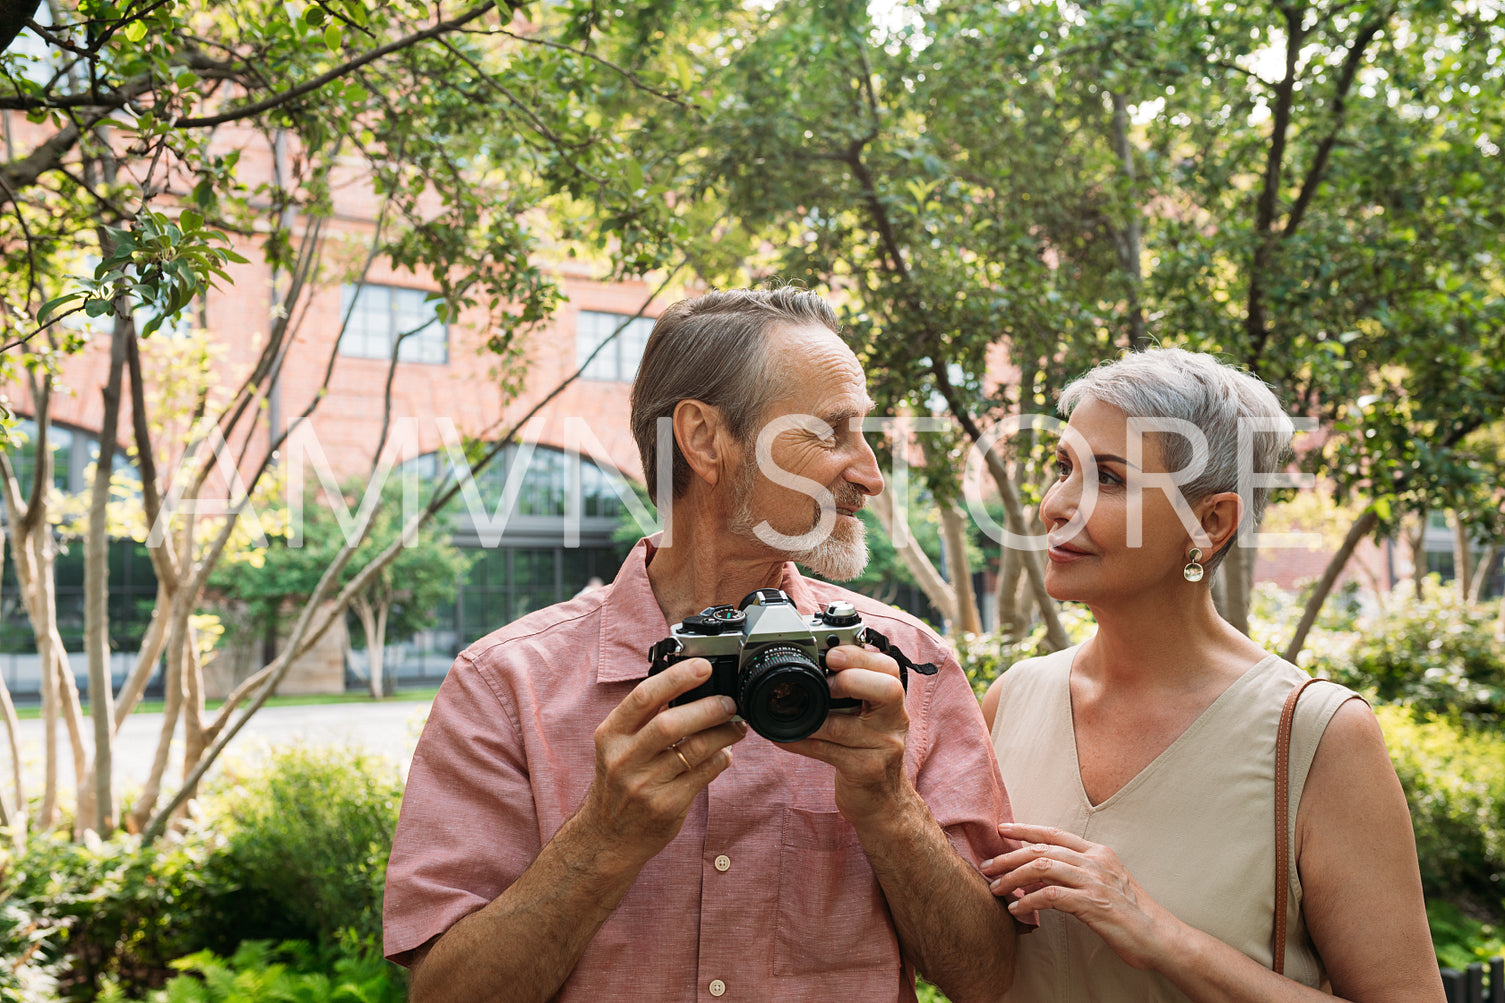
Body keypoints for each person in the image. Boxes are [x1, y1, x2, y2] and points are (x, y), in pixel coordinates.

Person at [384, 287, 1024, 1003]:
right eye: (830, 431)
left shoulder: (906, 665)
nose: (870, 472)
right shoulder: (504, 684)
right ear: (703, 438)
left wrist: (889, 807)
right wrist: (603, 837)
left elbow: (988, 976)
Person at [979, 348, 1444, 1001]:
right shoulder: (1011, 699)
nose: (1056, 504)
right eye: (1061, 468)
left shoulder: (1316, 734)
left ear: (1209, 522)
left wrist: (1161, 934)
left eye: (1107, 478)